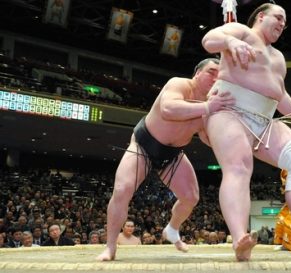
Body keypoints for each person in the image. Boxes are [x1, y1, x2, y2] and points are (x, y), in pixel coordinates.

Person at [202, 2, 291, 261]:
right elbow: (210, 39)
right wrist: (229, 43)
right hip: (229, 110)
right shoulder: (241, 31)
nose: (281, 24)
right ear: (261, 16)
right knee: (239, 167)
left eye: (284, 22)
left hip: (264, 120)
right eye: (278, 17)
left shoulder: (278, 57)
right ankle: (240, 238)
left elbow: (279, 92)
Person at [96, 58, 235, 261]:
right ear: (197, 73)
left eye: (219, 75)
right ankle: (110, 247)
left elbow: (209, 139)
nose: (215, 78)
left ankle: (172, 228)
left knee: (191, 197)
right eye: (211, 72)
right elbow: (168, 109)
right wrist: (207, 107)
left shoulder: (211, 106)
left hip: (173, 155)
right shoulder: (179, 84)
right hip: (144, 145)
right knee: (122, 189)